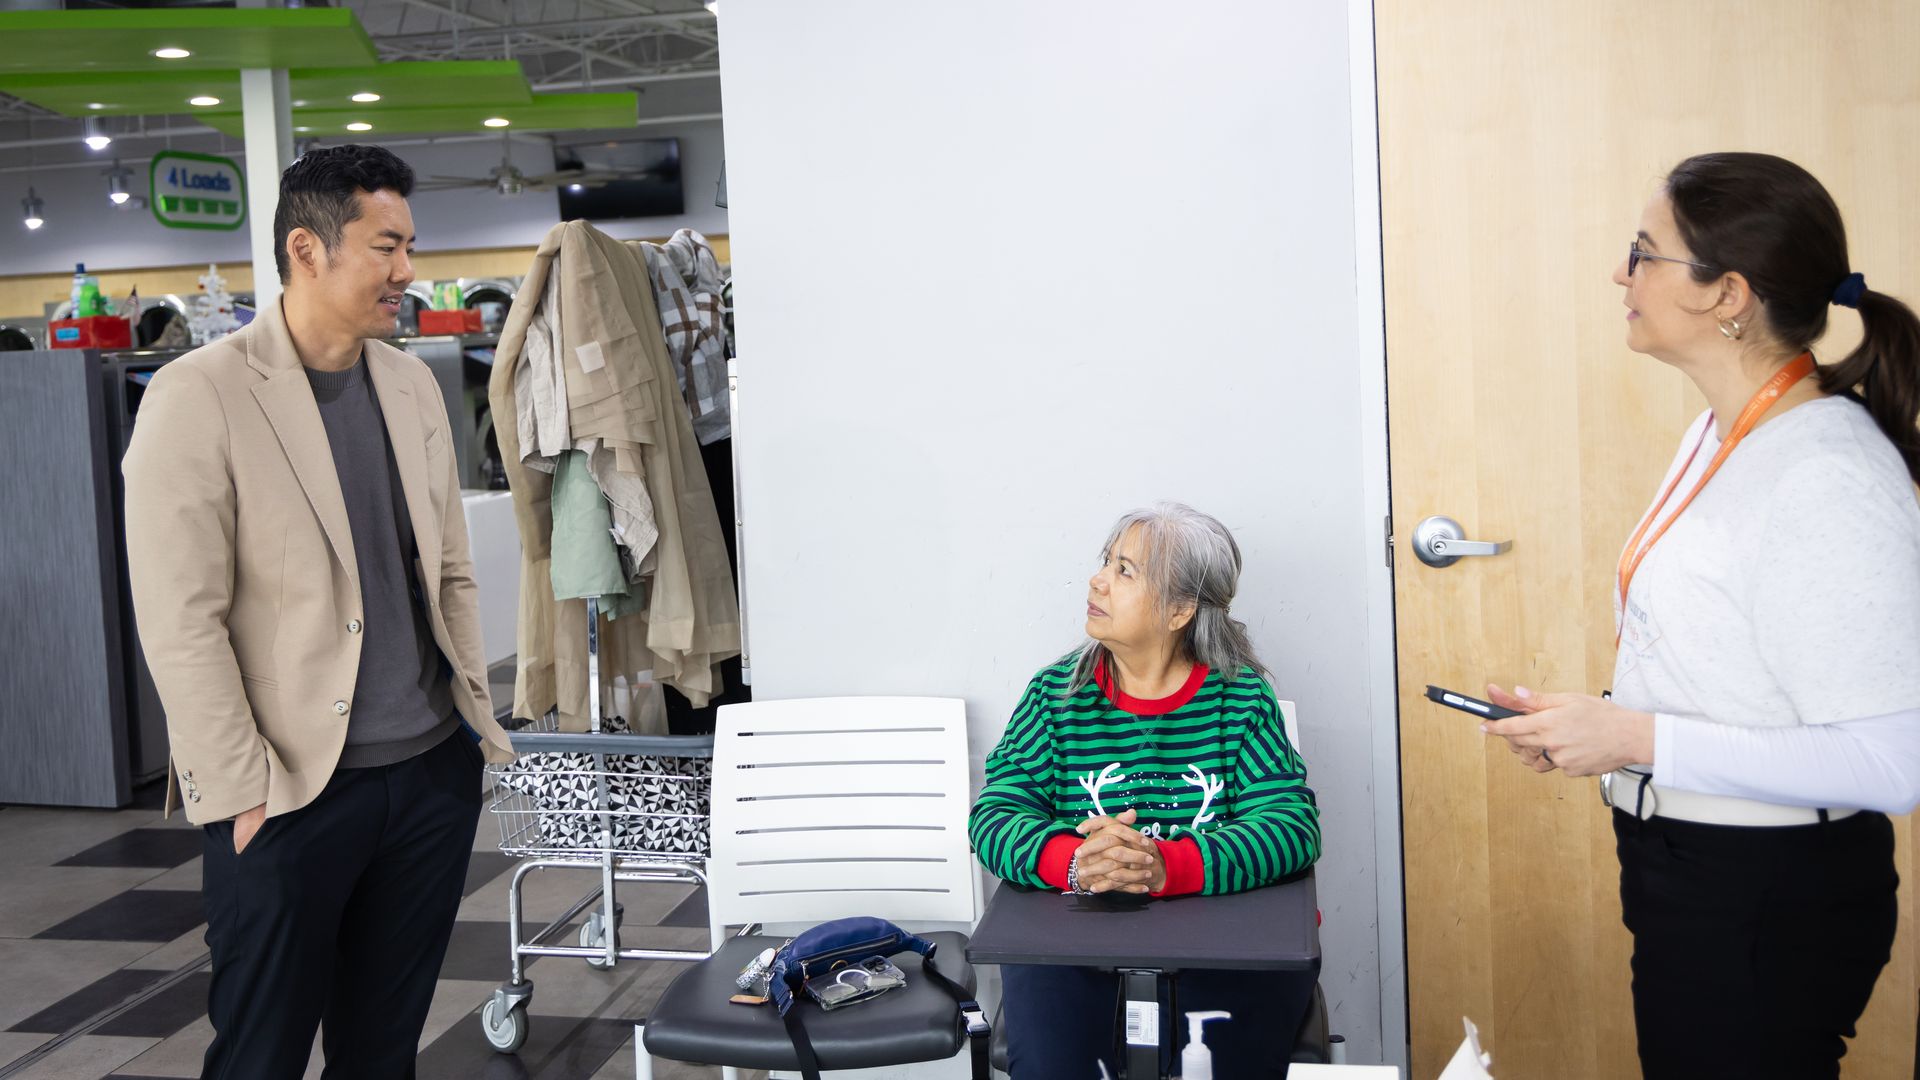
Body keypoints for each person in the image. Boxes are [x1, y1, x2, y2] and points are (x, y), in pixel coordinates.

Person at [1480, 152, 1920, 1080]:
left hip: (1769, 891)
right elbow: (1719, 664)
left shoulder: (1828, 475)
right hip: (1690, 864)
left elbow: (1892, 763)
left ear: (1729, 294)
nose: (1620, 274)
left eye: (1645, 253)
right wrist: (1593, 730)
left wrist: (1635, 737)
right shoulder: (1722, 430)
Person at [122, 144, 518, 1079]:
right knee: (260, 1055)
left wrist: (469, 734)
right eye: (387, 246)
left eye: (410, 245)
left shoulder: (412, 382)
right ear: (308, 249)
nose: (407, 273)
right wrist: (243, 794)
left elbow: (449, 569)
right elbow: (181, 617)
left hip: (427, 777)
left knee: (382, 1054)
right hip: (291, 794)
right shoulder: (198, 396)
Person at [968, 502, 1321, 1078]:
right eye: (1106, 562)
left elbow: (1290, 826)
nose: (1097, 580)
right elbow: (995, 813)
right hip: (1072, 947)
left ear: (1180, 609)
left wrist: (1167, 867)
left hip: (1223, 948)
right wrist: (1074, 862)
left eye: (1125, 570)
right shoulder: (1056, 696)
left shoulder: (1241, 699)